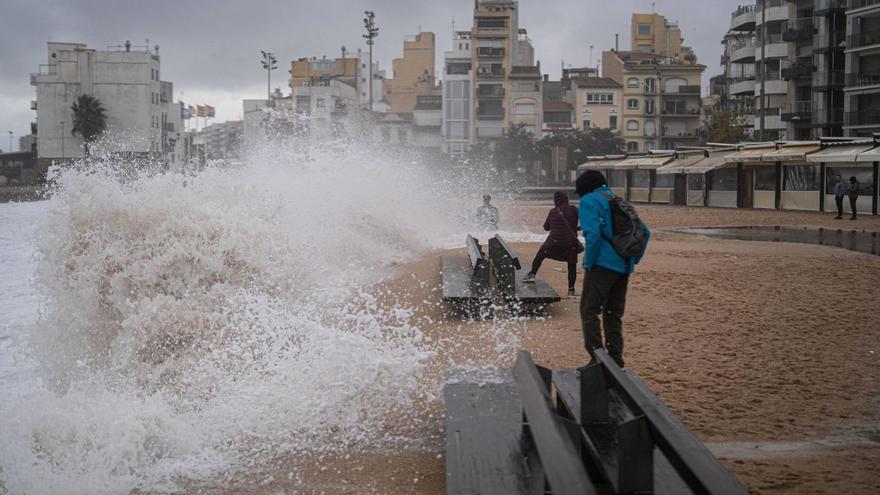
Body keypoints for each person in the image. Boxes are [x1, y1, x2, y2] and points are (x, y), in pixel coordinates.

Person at [575, 170, 650, 368]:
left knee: (589, 310)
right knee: (612, 313)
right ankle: (615, 359)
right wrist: (634, 259)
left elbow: (593, 236)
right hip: (624, 266)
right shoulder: (619, 200)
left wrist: (588, 263)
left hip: (602, 265)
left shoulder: (589, 201)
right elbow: (646, 232)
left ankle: (597, 359)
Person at [522, 191, 581, 298]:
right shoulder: (574, 209)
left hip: (553, 241)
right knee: (572, 265)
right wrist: (577, 228)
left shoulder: (553, 211)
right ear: (566, 199)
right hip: (570, 243)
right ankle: (571, 291)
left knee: (540, 255)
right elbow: (585, 221)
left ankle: (532, 274)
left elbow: (546, 227)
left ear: (555, 200)